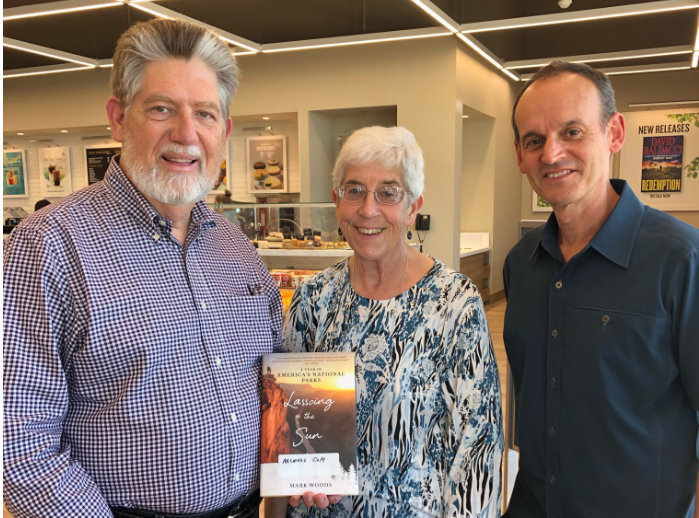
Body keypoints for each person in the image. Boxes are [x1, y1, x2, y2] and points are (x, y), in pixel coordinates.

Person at [3, 19, 283, 518]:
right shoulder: (49, 245)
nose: (186, 133)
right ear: (118, 118)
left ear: (225, 131)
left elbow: (275, 380)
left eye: (205, 113)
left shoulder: (235, 246)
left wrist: (305, 465)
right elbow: (17, 436)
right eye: (161, 109)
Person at [503, 60, 699, 518]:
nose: (551, 154)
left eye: (572, 132)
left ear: (614, 133)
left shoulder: (681, 260)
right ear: (519, 155)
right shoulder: (522, 264)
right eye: (534, 140)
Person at [283, 126, 504, 517]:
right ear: (337, 201)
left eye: (388, 192)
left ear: (413, 206)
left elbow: (477, 449)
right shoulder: (314, 298)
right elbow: (288, 424)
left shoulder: (454, 302)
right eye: (354, 190)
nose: (369, 209)